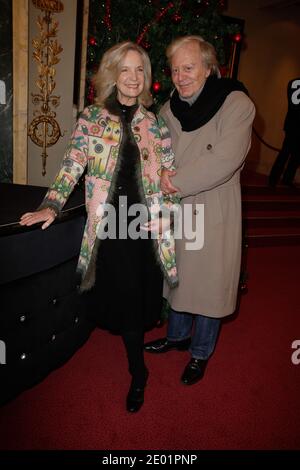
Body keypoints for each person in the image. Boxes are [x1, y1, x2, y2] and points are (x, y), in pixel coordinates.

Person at [20, 41, 178, 412]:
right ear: (112, 74)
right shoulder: (92, 118)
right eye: (125, 69)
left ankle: (137, 365)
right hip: (110, 223)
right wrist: (52, 204)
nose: (134, 77)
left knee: (138, 293)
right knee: (122, 291)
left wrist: (170, 214)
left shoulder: (155, 123)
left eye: (140, 70)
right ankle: (139, 373)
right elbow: (72, 164)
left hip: (145, 223)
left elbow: (168, 172)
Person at [144, 35, 255, 385]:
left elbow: (225, 158)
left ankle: (200, 352)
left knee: (209, 285)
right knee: (179, 277)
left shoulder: (236, 103)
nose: (180, 76)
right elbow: (155, 148)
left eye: (188, 67)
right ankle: (177, 337)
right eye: (175, 69)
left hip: (213, 205)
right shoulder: (169, 108)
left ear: (209, 68)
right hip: (177, 207)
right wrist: (156, 170)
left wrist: (173, 180)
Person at [269, 78, 300, 188]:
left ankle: (275, 179)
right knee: (292, 154)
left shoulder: (292, 82)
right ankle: (283, 178)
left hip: (291, 123)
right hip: (297, 124)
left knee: (287, 153)